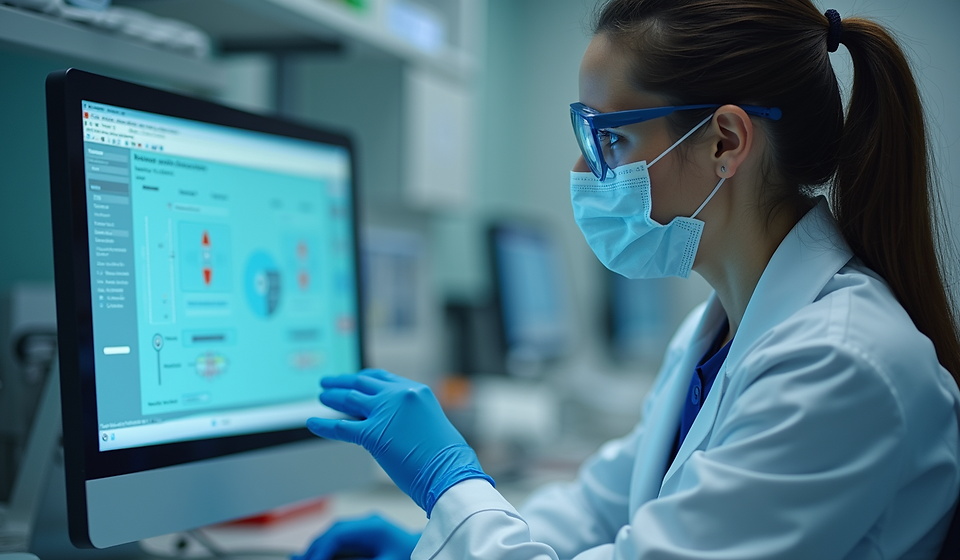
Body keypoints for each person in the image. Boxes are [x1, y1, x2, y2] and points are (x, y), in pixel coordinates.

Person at [296, 0, 960, 558]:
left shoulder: (839, 365)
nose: (582, 172)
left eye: (609, 139)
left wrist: (449, 484)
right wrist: (431, 539)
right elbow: (597, 510)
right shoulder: (714, 333)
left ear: (725, 142)